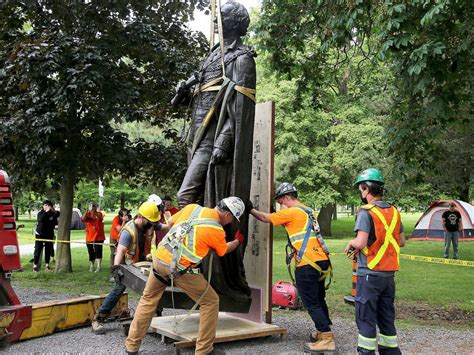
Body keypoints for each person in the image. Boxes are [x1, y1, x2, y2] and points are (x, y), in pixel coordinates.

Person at [173, 0, 256, 300]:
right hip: (197, 136)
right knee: (193, 197)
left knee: (186, 196)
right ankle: (193, 260)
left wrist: (224, 142)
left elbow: (241, 108)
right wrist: (185, 91)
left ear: (235, 23)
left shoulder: (242, 59)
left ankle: (198, 256)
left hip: (213, 140)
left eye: (222, 17)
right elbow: (198, 99)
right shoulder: (212, 57)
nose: (217, 21)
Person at [125, 197, 245, 355]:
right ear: (228, 215)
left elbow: (170, 224)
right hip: (179, 270)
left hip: (159, 260)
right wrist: (237, 241)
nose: (230, 222)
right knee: (211, 301)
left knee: (147, 300)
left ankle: (131, 347)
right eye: (232, 219)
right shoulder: (216, 230)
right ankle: (204, 350)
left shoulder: (192, 208)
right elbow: (222, 251)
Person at [249, 183, 335, 352]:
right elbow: (285, 220)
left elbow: (266, 218)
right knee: (319, 298)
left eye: (281, 201)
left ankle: (326, 338)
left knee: (311, 302)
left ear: (287, 197)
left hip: (307, 264)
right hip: (321, 260)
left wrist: (250, 209)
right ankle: (323, 330)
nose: (281, 205)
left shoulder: (291, 212)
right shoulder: (307, 210)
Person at [344, 168, 406, 355]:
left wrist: (351, 243)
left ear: (366, 188)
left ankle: (366, 352)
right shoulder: (394, 212)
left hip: (369, 273)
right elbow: (401, 241)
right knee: (386, 316)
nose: (360, 193)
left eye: (360, 189)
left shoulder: (366, 212)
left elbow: (361, 242)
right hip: (388, 274)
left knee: (366, 317)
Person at [92, 201, 163, 334]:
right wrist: (117, 269)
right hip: (127, 265)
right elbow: (120, 251)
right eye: (150, 221)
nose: (153, 224)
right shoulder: (128, 231)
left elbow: (165, 227)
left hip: (143, 263)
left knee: (154, 286)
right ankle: (98, 319)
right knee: (118, 289)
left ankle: (156, 318)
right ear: (141, 217)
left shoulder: (150, 224)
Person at [33, 200, 59, 272]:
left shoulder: (52, 214)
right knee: (38, 249)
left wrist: (53, 211)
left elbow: (57, 216)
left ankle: (47, 266)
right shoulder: (40, 213)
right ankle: (35, 266)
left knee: (48, 250)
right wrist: (46, 212)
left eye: (48, 205)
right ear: (43, 206)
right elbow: (40, 219)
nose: (46, 207)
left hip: (49, 234)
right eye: (45, 205)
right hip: (40, 234)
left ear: (50, 206)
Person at [82, 202, 105, 272]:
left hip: (99, 237)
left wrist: (94, 211)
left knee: (98, 251)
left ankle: (99, 267)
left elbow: (100, 218)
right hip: (89, 237)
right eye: (90, 206)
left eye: (93, 206)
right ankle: (91, 266)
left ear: (95, 207)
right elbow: (83, 219)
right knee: (90, 252)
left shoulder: (99, 213)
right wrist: (87, 211)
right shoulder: (88, 214)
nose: (92, 207)